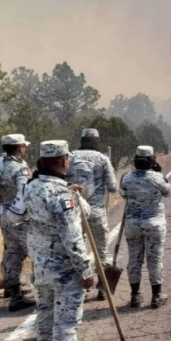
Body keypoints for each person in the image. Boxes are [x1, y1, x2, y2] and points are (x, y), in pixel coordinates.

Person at [24, 140, 98, 341]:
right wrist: (85, 269)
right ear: (64, 161)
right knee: (66, 321)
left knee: (44, 314)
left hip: (40, 265)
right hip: (64, 268)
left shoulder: (30, 187)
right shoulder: (63, 196)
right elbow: (72, 237)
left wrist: (69, 190)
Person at [0, 134, 36, 312]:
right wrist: (19, 209)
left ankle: (14, 294)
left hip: (2, 213)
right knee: (35, 252)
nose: (25, 149)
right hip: (20, 217)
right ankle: (43, 292)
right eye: (24, 146)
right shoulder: (20, 167)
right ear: (19, 147)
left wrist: (1, 201)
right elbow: (24, 191)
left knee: (12, 253)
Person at [67, 128, 118, 301]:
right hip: (96, 210)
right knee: (101, 252)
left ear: (82, 140)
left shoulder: (70, 156)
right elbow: (113, 187)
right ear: (97, 141)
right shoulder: (103, 159)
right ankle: (102, 288)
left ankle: (82, 285)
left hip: (75, 210)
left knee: (77, 250)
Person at [120, 145, 171, 309]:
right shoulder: (157, 178)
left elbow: (123, 194)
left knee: (134, 259)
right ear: (152, 161)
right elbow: (168, 192)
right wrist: (159, 172)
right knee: (155, 259)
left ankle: (135, 296)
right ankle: (156, 296)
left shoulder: (126, 177)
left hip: (133, 224)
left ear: (135, 160)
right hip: (154, 224)